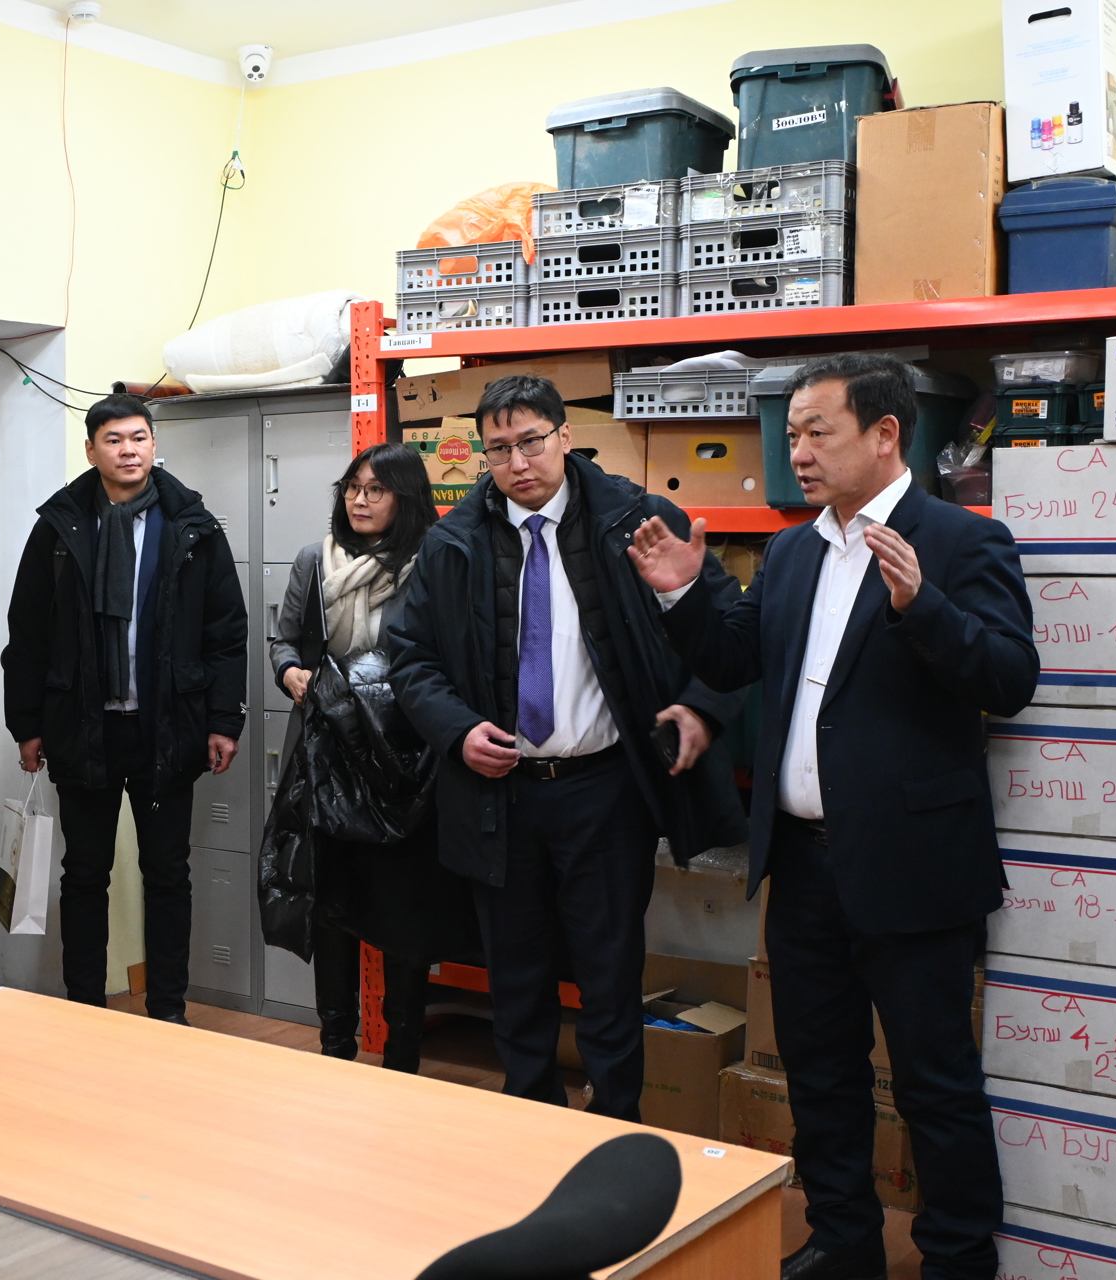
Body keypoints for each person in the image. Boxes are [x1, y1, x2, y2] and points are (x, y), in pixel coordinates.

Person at [627, 353, 1037, 1280]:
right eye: (792, 434)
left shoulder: (961, 541)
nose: (799, 453)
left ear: (886, 434)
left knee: (935, 1081)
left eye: (818, 432)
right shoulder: (793, 551)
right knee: (819, 1069)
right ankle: (843, 1240)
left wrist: (921, 607)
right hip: (804, 866)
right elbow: (734, 661)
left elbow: (1010, 679)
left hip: (913, 865)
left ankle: (958, 1259)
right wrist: (687, 591)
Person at [388, 374, 747, 1117]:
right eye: (498, 450)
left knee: (608, 973)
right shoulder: (452, 543)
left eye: (531, 441)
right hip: (499, 796)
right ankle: (531, 1123)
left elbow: (726, 633)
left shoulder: (637, 521)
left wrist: (701, 708)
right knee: (516, 977)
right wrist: (456, 730)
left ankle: (615, 1124)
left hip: (605, 791)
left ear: (565, 436)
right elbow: (410, 658)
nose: (518, 463)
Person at [3, 392, 247, 1024]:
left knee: (168, 873)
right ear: (92, 450)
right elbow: (27, 632)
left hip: (167, 728)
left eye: (139, 437)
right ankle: (85, 1010)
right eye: (113, 440)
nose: (128, 450)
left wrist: (225, 720)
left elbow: (225, 632)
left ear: (154, 445)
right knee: (84, 874)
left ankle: (167, 1012)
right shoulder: (59, 529)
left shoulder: (191, 526)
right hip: (83, 727)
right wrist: (26, 723)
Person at [270, 442, 480, 1072]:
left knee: (402, 910)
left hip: (403, 765)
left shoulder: (433, 561)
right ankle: (335, 1049)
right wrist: (290, 672)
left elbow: (451, 656)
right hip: (325, 757)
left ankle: (401, 1055)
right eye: (352, 488)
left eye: (375, 490)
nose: (358, 500)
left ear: (405, 497)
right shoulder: (314, 560)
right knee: (331, 905)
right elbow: (285, 640)